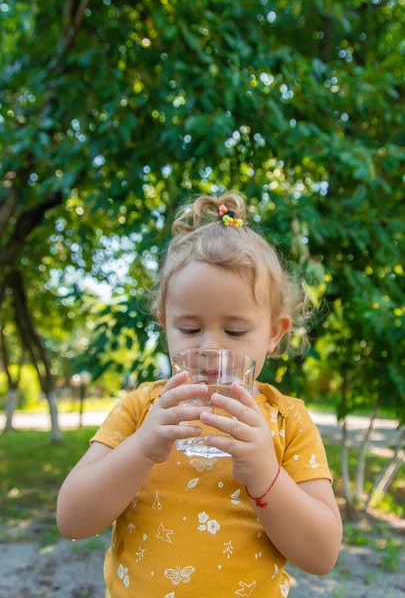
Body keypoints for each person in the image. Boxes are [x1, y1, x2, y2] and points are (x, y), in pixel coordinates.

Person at [57, 191, 342, 597]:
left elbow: (322, 555)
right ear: (165, 324)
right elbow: (72, 521)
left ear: (274, 334)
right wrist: (141, 450)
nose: (211, 348)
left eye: (236, 331)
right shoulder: (142, 409)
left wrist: (265, 475)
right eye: (189, 329)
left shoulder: (286, 420)